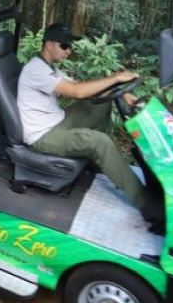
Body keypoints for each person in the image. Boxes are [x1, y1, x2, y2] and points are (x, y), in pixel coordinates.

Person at [17, 23, 162, 223]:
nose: (69, 50)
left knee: (99, 105)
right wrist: (116, 77)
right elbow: (78, 93)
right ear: (49, 45)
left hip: (58, 120)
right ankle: (146, 203)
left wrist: (123, 92)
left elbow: (78, 86)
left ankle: (97, 162)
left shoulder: (49, 68)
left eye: (70, 46)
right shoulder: (35, 69)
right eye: (65, 46)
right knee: (99, 142)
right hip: (43, 135)